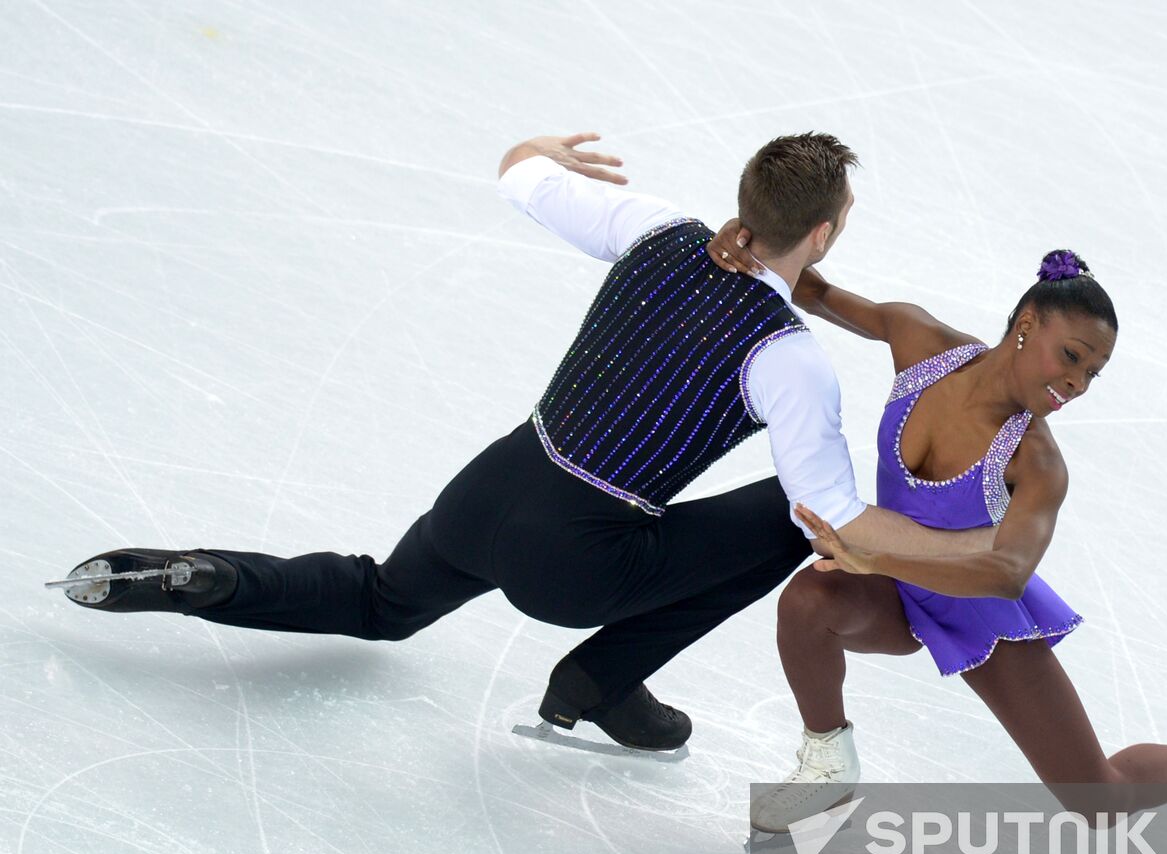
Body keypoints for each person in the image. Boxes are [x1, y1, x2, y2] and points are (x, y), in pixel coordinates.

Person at [54, 131, 990, 753]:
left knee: (380, 599)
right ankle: (599, 675)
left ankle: (206, 576)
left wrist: (543, 149)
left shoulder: (657, 229)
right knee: (789, 525)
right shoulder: (790, 358)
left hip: (494, 485)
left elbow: (521, 175)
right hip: (578, 561)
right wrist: (960, 548)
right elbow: (830, 516)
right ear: (821, 234)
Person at [704, 229, 1167, 845]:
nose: (1077, 383)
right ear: (1027, 324)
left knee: (1099, 803)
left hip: (980, 612)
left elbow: (1006, 573)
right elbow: (811, 289)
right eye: (1072, 357)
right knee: (807, 602)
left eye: (1092, 374)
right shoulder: (922, 344)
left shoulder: (1037, 462)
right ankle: (829, 764)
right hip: (888, 589)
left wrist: (874, 555)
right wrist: (745, 245)